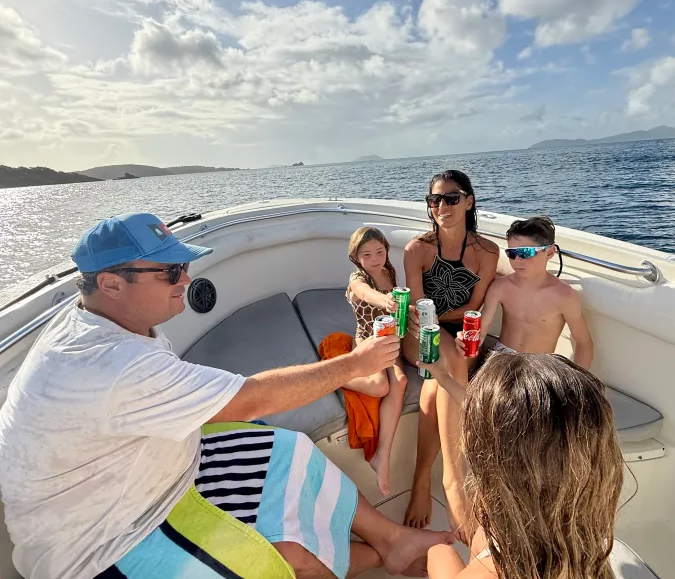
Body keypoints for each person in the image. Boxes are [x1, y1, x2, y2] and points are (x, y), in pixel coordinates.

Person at [0, 213, 453, 579]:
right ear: (112, 284)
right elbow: (251, 399)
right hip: (104, 537)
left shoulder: (109, 320)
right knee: (273, 555)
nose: (186, 277)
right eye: (170, 271)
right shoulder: (107, 364)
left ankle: (392, 540)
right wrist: (355, 364)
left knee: (290, 449)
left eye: (184, 264)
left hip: (152, 468)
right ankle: (379, 557)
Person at [423, 353, 625, 579]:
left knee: (443, 553)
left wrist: (437, 553)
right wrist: (443, 377)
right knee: (480, 539)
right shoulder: (587, 545)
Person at [402, 171, 499, 540]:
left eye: (451, 198)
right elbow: (416, 310)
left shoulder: (488, 253)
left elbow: (474, 308)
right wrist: (443, 328)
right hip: (419, 333)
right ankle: (453, 479)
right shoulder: (417, 249)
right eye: (434, 200)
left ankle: (420, 479)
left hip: (458, 334)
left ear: (469, 202)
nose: (441, 206)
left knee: (435, 385)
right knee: (453, 362)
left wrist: (452, 329)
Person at [457, 215, 593, 369]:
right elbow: (481, 330)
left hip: (539, 365)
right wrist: (466, 340)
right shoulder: (500, 286)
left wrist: (580, 381)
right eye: (512, 254)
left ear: (549, 252)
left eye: (525, 253)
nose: (517, 260)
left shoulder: (564, 296)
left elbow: (584, 342)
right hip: (501, 357)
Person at [345, 227, 408, 496]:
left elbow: (398, 303)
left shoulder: (389, 272)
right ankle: (335, 376)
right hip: (367, 343)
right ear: (357, 257)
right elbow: (364, 294)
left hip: (390, 340)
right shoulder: (357, 279)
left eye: (380, 252)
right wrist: (384, 299)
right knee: (381, 387)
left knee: (401, 381)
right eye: (367, 254)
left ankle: (382, 455)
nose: (375, 259)